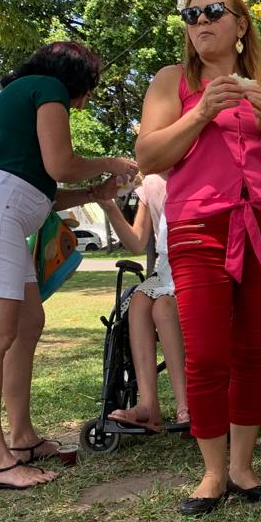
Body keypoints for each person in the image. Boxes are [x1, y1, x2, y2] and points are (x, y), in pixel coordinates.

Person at [136, 0, 261, 516]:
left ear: (241, 24)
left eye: (213, 11)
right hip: (198, 229)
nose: (200, 21)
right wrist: (202, 111)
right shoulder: (172, 82)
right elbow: (147, 156)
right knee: (207, 354)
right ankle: (211, 473)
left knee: (251, 352)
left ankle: (242, 468)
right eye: (190, 14)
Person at [0, 41, 138, 491]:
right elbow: (62, 165)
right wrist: (113, 162)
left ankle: (22, 438)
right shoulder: (47, 87)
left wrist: (96, 194)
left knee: (28, 322)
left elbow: (44, 189)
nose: (83, 102)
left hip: (2, 212)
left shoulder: (22, 95)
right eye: (87, 91)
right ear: (74, 78)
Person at [98, 173, 189, 433]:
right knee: (138, 301)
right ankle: (148, 405)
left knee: (163, 308)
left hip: (192, 261)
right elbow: (137, 240)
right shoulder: (150, 183)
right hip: (165, 267)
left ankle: (186, 404)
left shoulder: (195, 166)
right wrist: (109, 205)